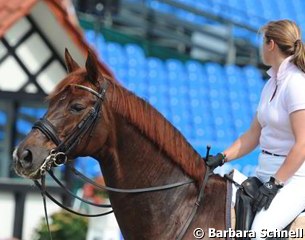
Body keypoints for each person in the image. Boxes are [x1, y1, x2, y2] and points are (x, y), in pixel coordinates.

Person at [206, 19, 305, 239]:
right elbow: (253, 135)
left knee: (258, 233)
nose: (261, 47)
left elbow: (303, 144)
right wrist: (221, 157)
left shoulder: (297, 84)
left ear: (271, 45)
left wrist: (275, 183)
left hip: (295, 180)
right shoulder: (271, 84)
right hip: (264, 173)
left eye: (263, 42)